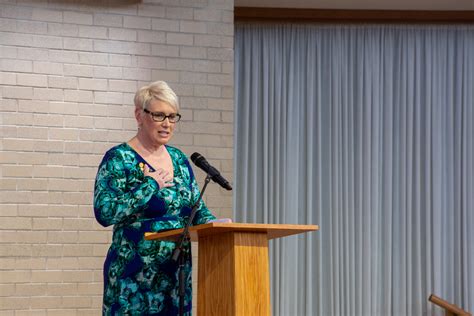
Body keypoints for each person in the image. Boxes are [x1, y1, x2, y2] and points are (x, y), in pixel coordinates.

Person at [94, 81, 217, 315]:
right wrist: (149, 186)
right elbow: (105, 212)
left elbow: (195, 210)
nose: (167, 124)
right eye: (160, 115)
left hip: (174, 275)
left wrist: (216, 225)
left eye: (172, 117)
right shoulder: (119, 158)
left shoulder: (179, 160)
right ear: (139, 115)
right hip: (132, 278)